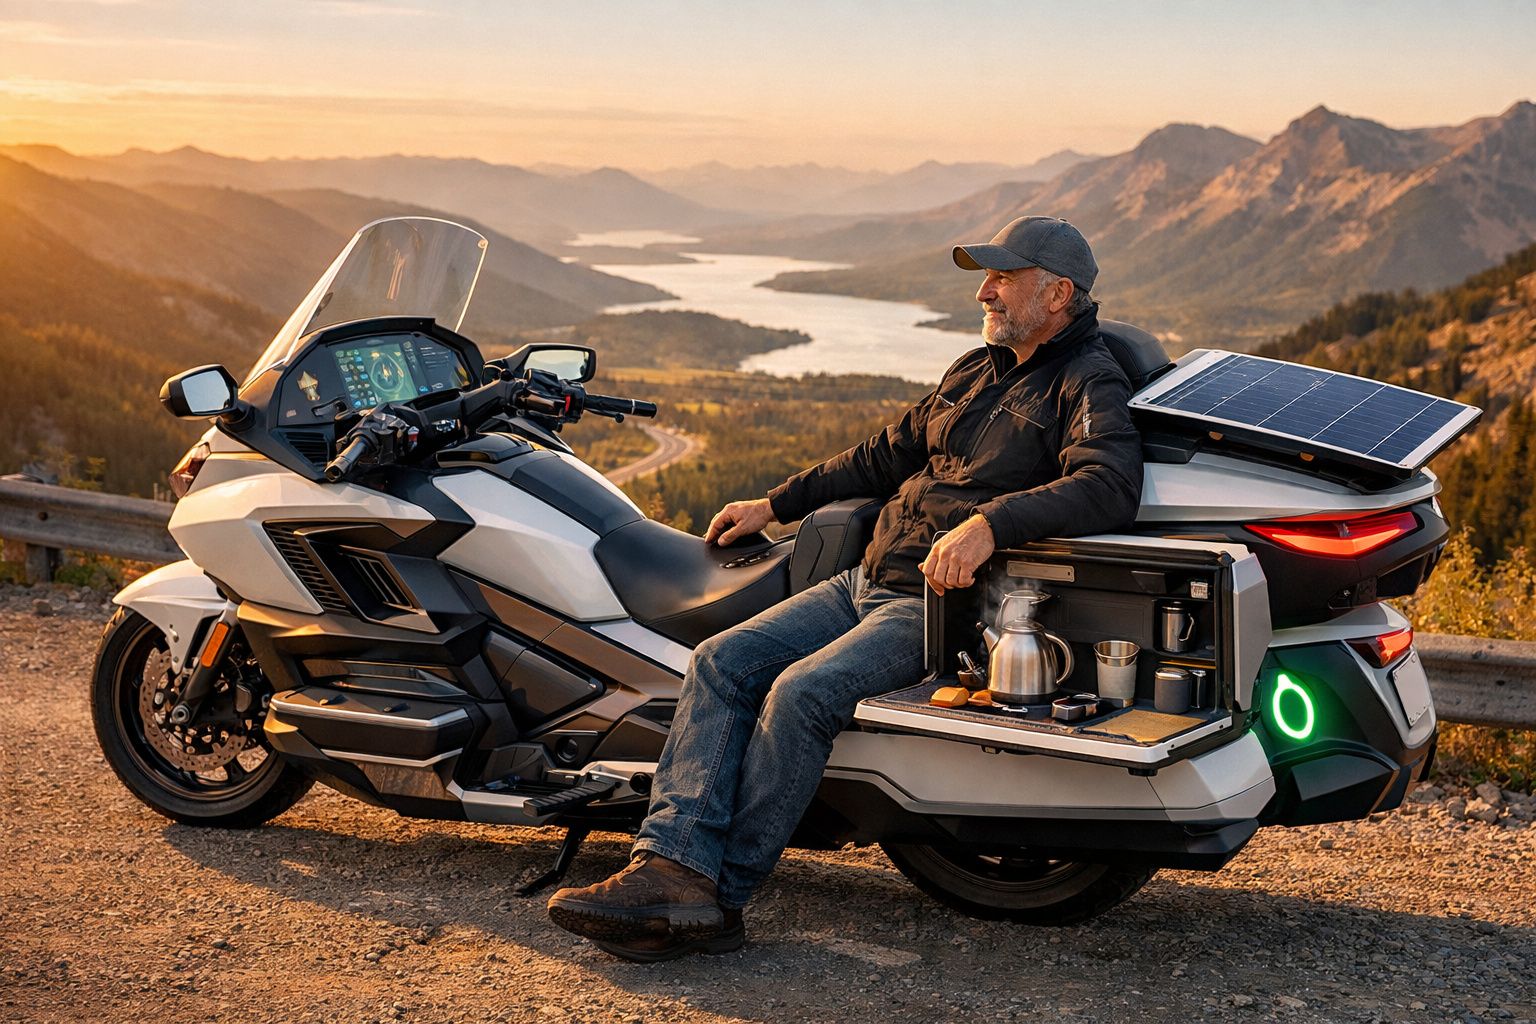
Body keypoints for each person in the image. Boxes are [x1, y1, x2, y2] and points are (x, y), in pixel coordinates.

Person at [547, 215, 1144, 961]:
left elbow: (1111, 483)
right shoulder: (973, 368)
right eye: (985, 277)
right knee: (720, 663)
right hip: (869, 579)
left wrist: (990, 524)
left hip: (938, 604)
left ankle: (716, 895)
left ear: (1058, 293)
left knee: (802, 694)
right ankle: (668, 867)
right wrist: (776, 504)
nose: (984, 291)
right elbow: (884, 454)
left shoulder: (1087, 379)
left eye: (1003, 278)